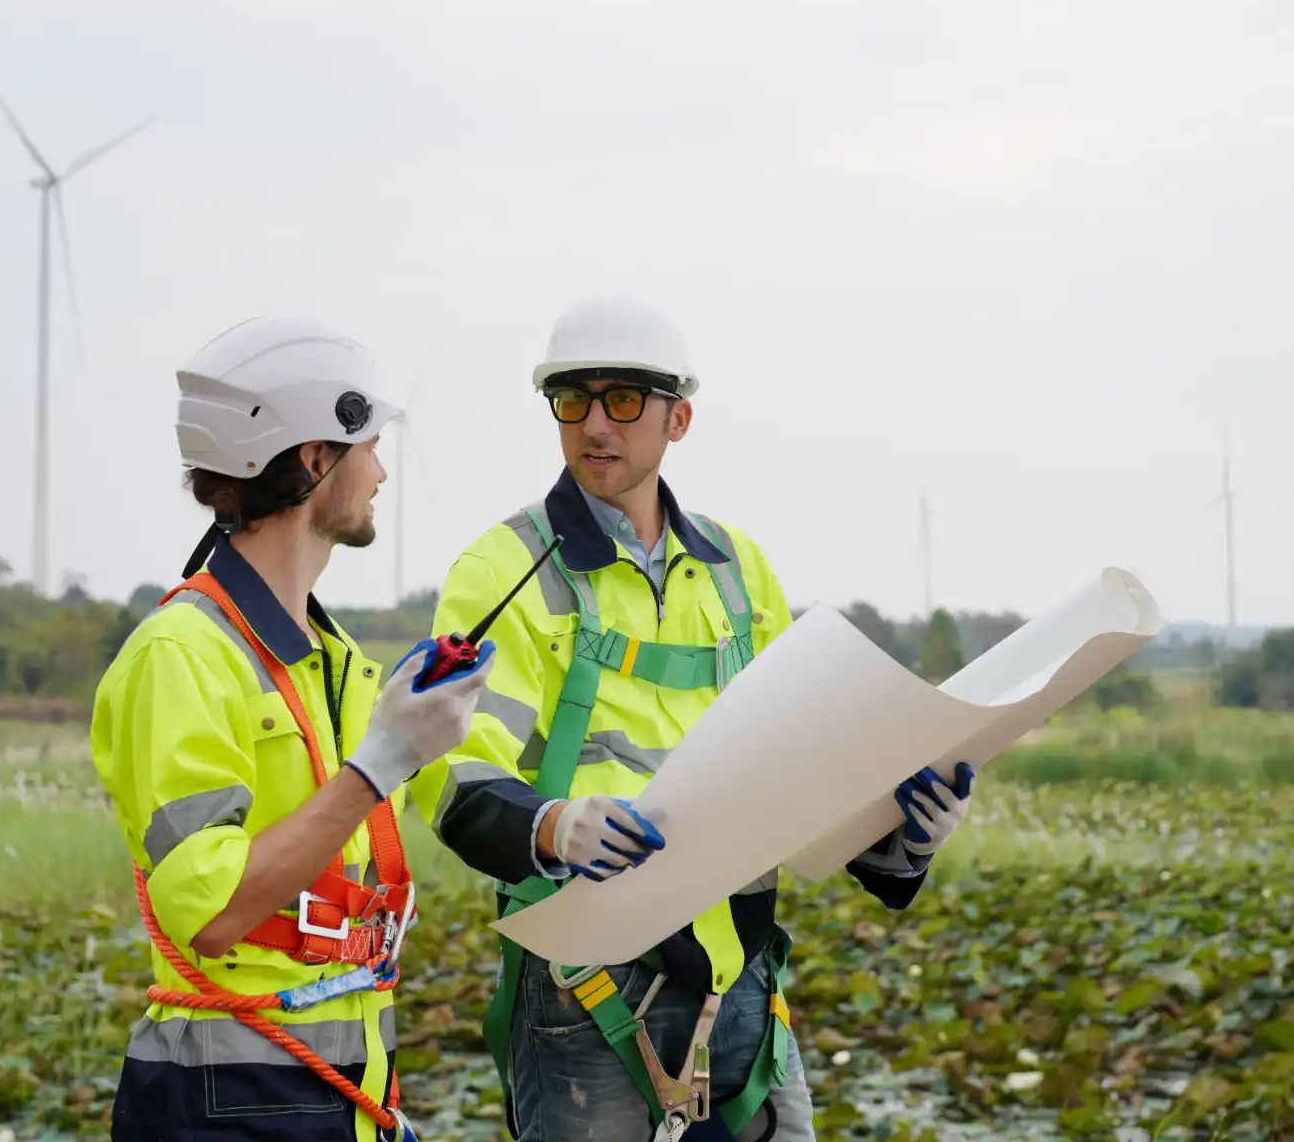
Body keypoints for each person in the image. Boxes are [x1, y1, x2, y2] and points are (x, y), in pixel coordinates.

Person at [408, 297, 978, 1142]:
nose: (595, 424)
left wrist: (902, 841)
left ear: (680, 417)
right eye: (573, 399)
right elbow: (447, 766)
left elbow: (804, 764)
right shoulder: (505, 569)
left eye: (624, 400)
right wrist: (556, 827)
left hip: (740, 977)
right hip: (584, 981)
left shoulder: (738, 571)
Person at [92, 316, 496, 1142]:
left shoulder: (332, 653)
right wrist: (378, 764)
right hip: (228, 1098)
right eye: (369, 445)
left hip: (337, 1097)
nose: (381, 471)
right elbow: (213, 911)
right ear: (315, 458)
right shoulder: (181, 654)